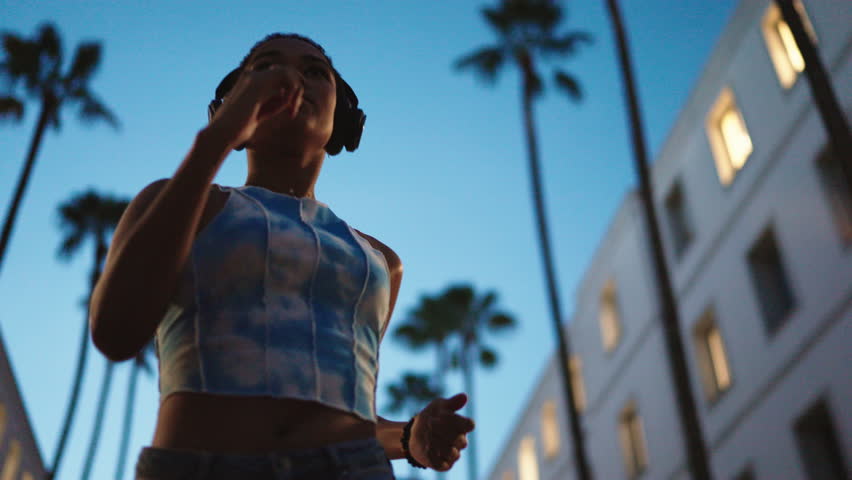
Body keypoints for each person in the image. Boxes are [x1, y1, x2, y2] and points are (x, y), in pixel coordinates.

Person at [89, 33, 475, 479]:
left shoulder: (381, 261)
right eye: (266, 68)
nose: (291, 78)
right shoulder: (175, 202)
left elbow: (351, 411)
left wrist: (408, 438)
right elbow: (115, 331)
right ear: (227, 106)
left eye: (314, 72)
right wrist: (216, 138)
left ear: (344, 119)